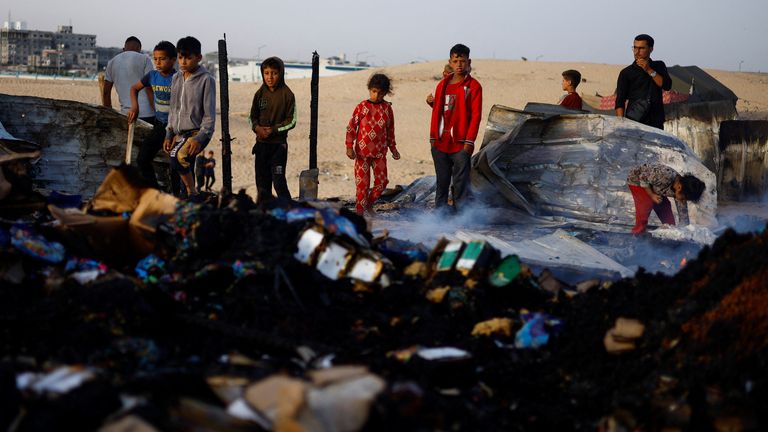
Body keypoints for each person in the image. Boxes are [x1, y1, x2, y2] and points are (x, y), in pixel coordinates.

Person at [428, 43, 482, 212]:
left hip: (461, 144)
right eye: (456, 60)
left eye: (463, 61)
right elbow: (444, 110)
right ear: (450, 62)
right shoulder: (442, 85)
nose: (459, 64)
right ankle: (439, 216)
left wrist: (469, 142)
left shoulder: (473, 86)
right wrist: (433, 139)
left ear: (469, 62)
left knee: (460, 183)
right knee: (442, 182)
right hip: (440, 143)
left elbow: (475, 116)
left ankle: (461, 217)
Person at [163, 36, 216, 198]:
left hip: (197, 133)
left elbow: (209, 115)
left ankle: (192, 192)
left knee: (178, 158)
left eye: (188, 57)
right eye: (180, 57)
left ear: (198, 58)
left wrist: (200, 138)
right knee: (178, 169)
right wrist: (169, 134)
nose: (183, 62)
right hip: (180, 132)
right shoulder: (176, 77)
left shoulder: (206, 79)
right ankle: (187, 198)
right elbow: (173, 109)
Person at [345, 73, 401, 216]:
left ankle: (369, 204)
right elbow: (352, 127)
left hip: (380, 153)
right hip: (361, 154)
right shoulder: (362, 107)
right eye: (374, 91)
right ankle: (360, 213)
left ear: (386, 93)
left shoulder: (387, 109)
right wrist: (349, 146)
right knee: (362, 186)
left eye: (380, 93)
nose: (376, 95)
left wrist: (393, 149)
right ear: (369, 89)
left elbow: (390, 131)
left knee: (382, 182)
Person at [127, 41, 177, 188]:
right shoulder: (152, 76)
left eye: (162, 59)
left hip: (176, 128)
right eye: (155, 59)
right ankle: (155, 192)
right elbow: (134, 89)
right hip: (160, 125)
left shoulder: (179, 79)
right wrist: (134, 107)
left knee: (176, 163)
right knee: (142, 159)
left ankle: (180, 196)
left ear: (173, 60)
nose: (158, 62)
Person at [249, 56, 297, 204]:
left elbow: (292, 121)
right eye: (267, 73)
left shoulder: (287, 95)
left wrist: (274, 130)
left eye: (274, 73)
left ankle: (289, 212)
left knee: (279, 182)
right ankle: (265, 212)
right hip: (261, 146)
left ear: (281, 73)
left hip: (278, 147)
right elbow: (252, 117)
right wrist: (257, 128)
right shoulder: (260, 93)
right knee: (262, 183)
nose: (270, 77)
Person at [626, 163, 705, 235]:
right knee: (646, 203)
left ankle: (670, 230)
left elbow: (683, 216)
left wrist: (685, 231)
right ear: (679, 187)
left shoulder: (681, 190)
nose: (683, 201)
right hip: (637, 180)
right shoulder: (665, 176)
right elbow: (643, 178)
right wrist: (652, 195)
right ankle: (637, 232)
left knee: (664, 206)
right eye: (684, 199)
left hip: (656, 186)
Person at [615, 34, 672, 129]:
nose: (637, 52)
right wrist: (621, 124)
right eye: (635, 48)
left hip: (655, 123)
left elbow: (666, 85)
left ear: (651, 49)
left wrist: (649, 70)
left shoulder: (659, 66)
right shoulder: (626, 73)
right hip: (634, 122)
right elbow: (620, 101)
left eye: (641, 48)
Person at [103, 36, 154, 118]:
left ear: (124, 49)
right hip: (147, 113)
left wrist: (109, 114)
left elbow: (106, 92)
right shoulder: (145, 59)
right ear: (139, 49)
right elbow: (149, 88)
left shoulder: (112, 62)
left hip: (126, 115)